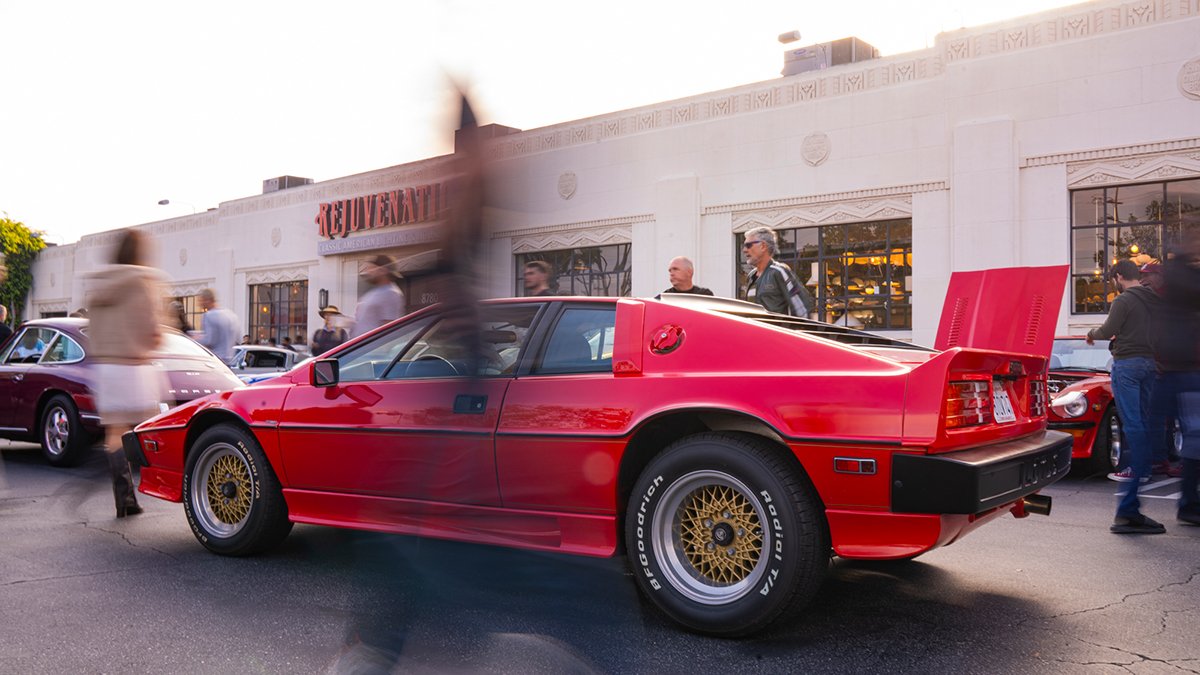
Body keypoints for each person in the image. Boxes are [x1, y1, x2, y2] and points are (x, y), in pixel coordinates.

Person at [84, 228, 167, 518]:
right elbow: (151, 329)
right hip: (134, 365)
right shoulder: (142, 281)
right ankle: (165, 485)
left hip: (107, 368)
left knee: (115, 433)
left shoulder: (99, 285)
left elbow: (90, 328)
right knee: (153, 426)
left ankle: (124, 498)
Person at [1086, 259, 1166, 534]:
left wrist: (1091, 334)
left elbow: (1107, 331)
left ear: (1119, 276)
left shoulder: (1123, 301)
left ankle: (1133, 482)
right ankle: (1139, 473)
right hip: (1148, 364)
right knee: (1141, 422)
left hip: (1128, 366)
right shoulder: (1154, 300)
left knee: (1132, 425)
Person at [1146, 230, 1200, 526]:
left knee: (1187, 435)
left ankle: (1187, 501)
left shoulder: (1177, 278)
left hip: (1177, 367)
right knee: (1192, 436)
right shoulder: (1182, 276)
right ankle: (1187, 502)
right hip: (1182, 368)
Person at [742, 227, 816, 317]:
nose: (744, 250)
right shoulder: (751, 276)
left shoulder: (779, 272)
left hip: (774, 330)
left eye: (748, 245)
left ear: (763, 246)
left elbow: (802, 311)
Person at [353, 254, 405, 338]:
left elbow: (389, 329)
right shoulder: (374, 292)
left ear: (383, 270)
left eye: (371, 268)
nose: (367, 271)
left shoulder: (390, 293)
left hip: (372, 349)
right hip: (360, 348)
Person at [197, 288, 239, 363]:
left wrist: (194, 339)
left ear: (208, 300)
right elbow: (238, 338)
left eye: (201, 300)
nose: (199, 304)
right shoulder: (231, 315)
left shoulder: (208, 316)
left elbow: (209, 341)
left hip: (215, 361)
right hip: (229, 361)